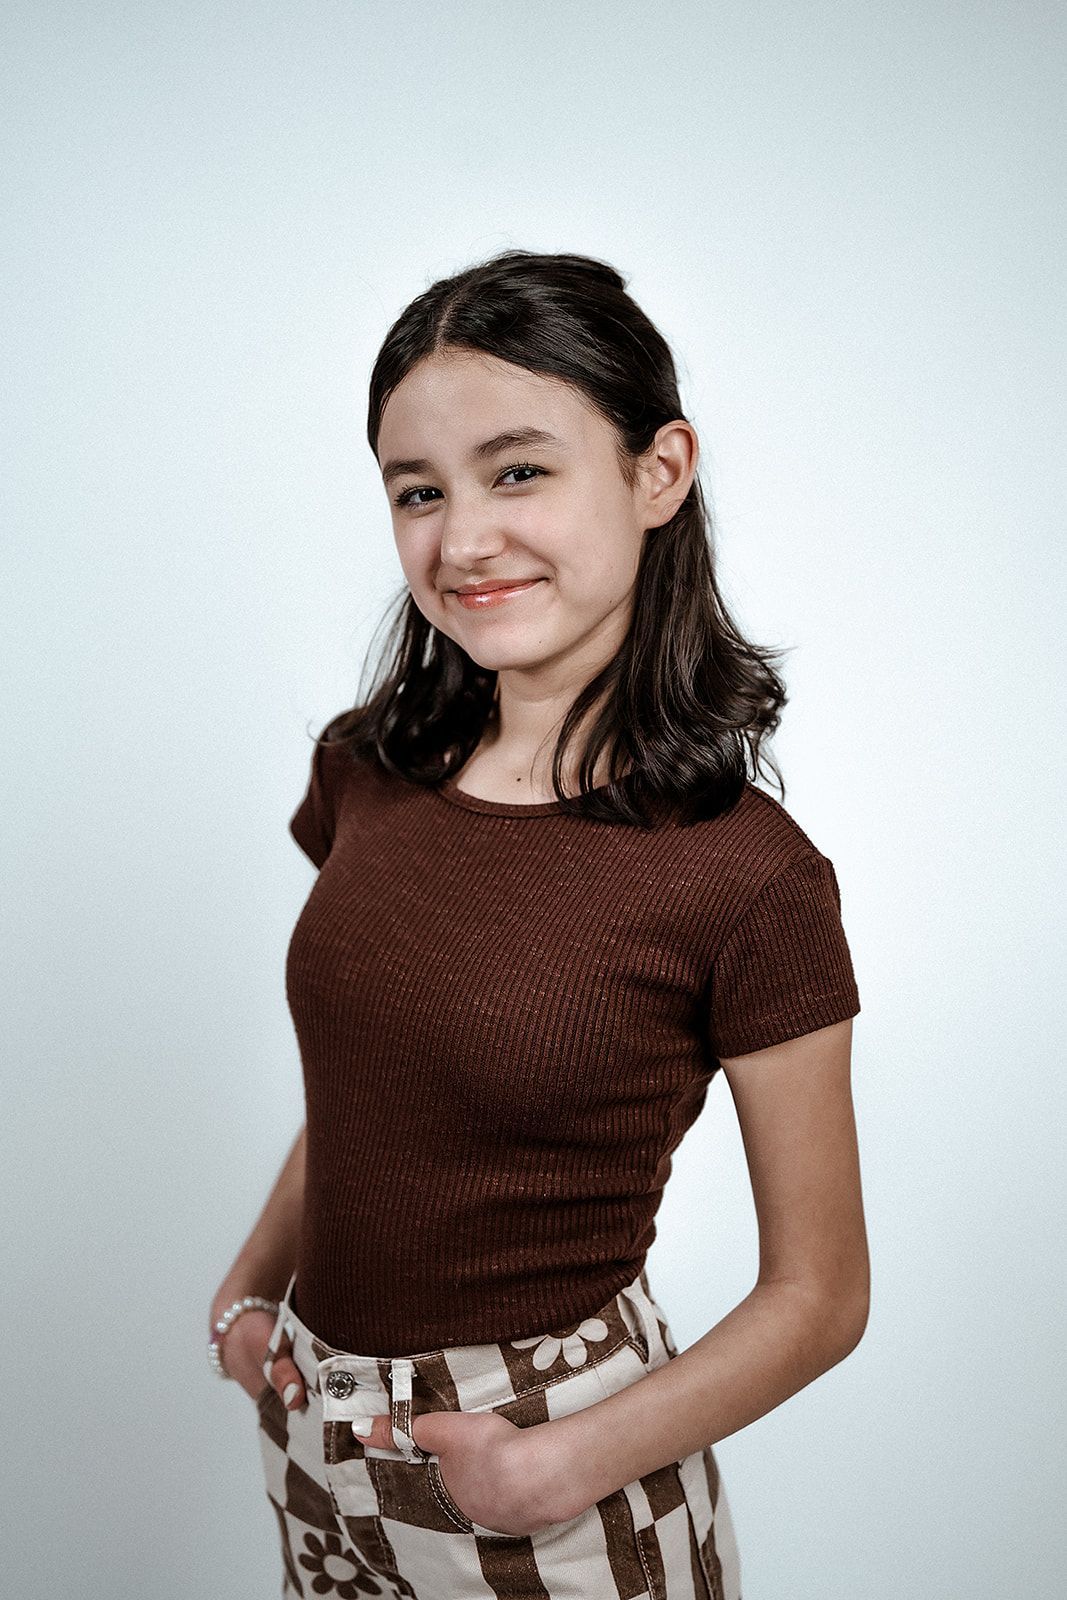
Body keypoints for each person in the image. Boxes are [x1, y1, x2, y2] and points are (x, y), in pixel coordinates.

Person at [208, 249, 867, 1600]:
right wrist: (252, 1287)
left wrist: (555, 1470)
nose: (461, 539)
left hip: (553, 1458)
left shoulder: (745, 877)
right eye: (418, 492)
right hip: (317, 1440)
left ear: (658, 472)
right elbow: (374, 1084)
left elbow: (822, 1294)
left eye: (518, 471)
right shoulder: (366, 772)